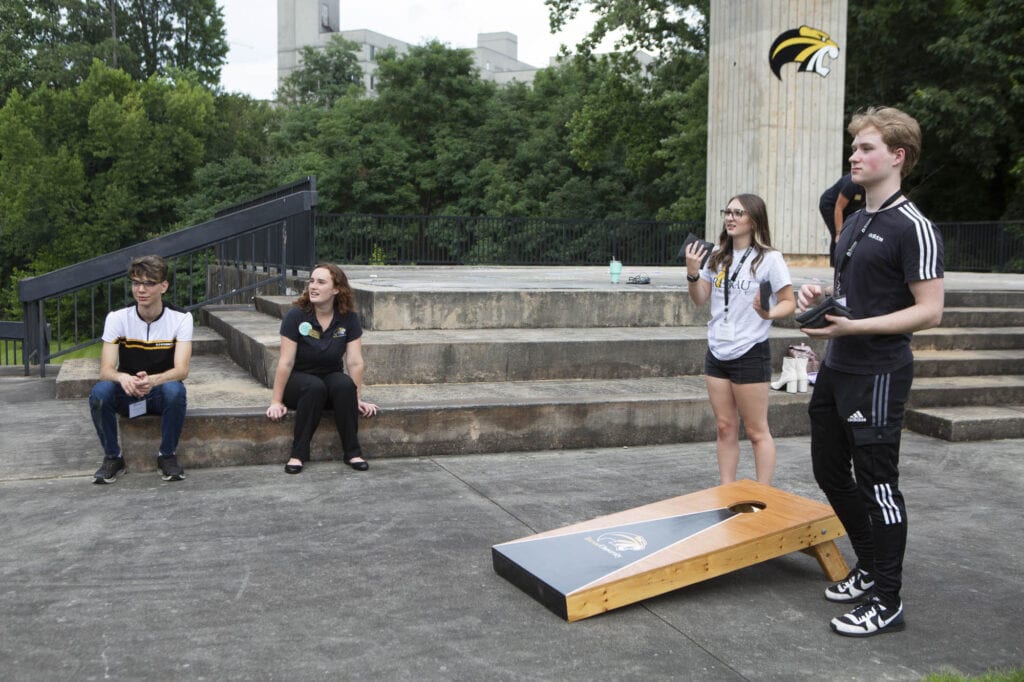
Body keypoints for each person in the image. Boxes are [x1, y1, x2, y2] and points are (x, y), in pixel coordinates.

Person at [797, 106, 944, 638]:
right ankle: (868, 564)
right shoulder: (856, 220)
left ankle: (888, 600)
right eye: (854, 147)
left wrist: (855, 329)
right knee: (830, 471)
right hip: (838, 365)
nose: (854, 156)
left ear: (897, 156)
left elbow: (929, 310)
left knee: (879, 484)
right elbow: (851, 296)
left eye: (865, 148)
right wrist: (823, 297)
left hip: (878, 371)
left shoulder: (914, 227)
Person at [685, 193, 795, 486]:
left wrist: (768, 312)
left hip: (750, 350)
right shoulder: (717, 257)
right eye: (728, 212)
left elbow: (789, 302)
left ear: (754, 220)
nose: (730, 218)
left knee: (757, 430)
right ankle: (726, 490)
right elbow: (700, 299)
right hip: (718, 351)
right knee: (724, 426)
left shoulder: (769, 259)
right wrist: (693, 275)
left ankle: (763, 493)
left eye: (738, 213)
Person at [266, 263, 378, 474]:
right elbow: (286, 362)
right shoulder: (296, 316)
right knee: (314, 386)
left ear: (336, 289)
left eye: (321, 282)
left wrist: (356, 398)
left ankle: (353, 452)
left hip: (330, 378)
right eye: (312, 281)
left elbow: (355, 362)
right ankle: (298, 454)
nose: (313, 287)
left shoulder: (349, 319)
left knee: (345, 384)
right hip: (299, 382)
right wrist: (276, 401)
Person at [90, 255, 192, 483]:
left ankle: (167, 456)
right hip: (127, 392)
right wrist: (124, 379)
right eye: (136, 283)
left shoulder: (181, 318)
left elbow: (182, 369)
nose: (141, 290)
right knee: (100, 392)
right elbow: (106, 370)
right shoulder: (117, 318)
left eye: (149, 283)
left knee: (175, 390)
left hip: (159, 392)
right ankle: (112, 457)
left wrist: (153, 381)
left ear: (163, 286)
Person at [819, 173, 865, 265]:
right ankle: (836, 264)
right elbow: (839, 207)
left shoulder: (872, 185)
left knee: (851, 232)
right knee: (839, 235)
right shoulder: (852, 183)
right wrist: (839, 232)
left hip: (848, 207)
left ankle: (848, 262)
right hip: (830, 205)